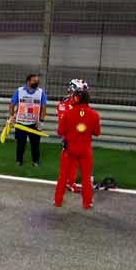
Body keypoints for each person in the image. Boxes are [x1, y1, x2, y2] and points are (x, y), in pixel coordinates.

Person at [53, 79, 100, 209]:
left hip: (69, 147)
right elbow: (97, 132)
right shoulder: (94, 114)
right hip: (85, 148)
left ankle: (58, 201)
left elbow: (60, 130)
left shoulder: (67, 111)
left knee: (63, 175)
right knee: (86, 177)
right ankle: (87, 203)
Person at [9, 73, 48, 168]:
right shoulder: (19, 91)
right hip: (21, 123)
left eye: (37, 81)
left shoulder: (40, 92)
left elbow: (43, 107)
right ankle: (19, 161)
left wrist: (41, 121)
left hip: (35, 124)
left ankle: (36, 161)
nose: (36, 82)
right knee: (20, 144)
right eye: (34, 81)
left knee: (35, 145)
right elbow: (12, 104)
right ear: (28, 81)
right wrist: (11, 116)